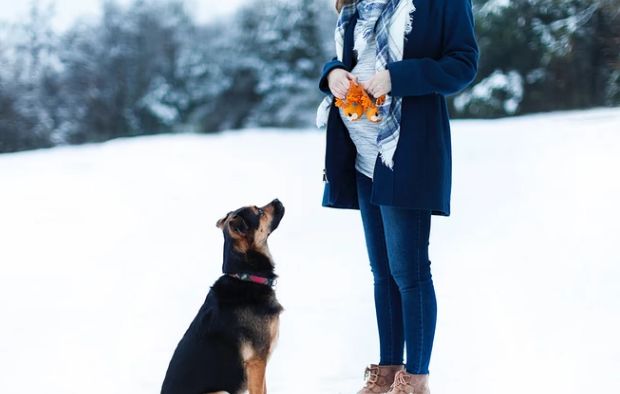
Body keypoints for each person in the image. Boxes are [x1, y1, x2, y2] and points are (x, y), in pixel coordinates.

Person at [316, 0, 479, 393]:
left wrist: (397, 78)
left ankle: (415, 378)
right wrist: (333, 72)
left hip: (406, 151)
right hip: (360, 153)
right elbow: (355, 58)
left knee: (409, 272)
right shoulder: (357, 4)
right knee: (383, 273)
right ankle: (388, 370)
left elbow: (463, 64)